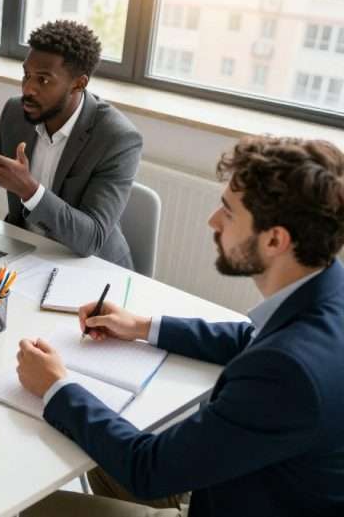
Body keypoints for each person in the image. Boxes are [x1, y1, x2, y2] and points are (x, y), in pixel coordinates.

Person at [18, 136, 344, 517]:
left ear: (275, 239)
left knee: (29, 502)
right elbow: (250, 338)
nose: (213, 221)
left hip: (222, 501)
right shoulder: (326, 291)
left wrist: (56, 386)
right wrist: (140, 325)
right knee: (99, 445)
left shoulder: (287, 373)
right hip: (247, 481)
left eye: (228, 211)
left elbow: (148, 469)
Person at [0, 20, 142, 267]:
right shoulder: (16, 113)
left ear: (79, 83)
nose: (28, 88)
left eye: (43, 80)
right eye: (26, 75)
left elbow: (91, 238)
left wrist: (30, 191)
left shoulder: (117, 138)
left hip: (89, 267)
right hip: (26, 254)